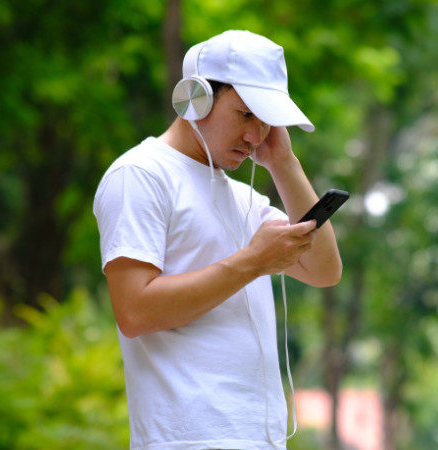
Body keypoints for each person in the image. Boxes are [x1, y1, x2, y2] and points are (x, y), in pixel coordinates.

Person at [93, 30, 343, 449]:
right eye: (246, 114)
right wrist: (252, 263)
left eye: (267, 121)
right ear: (196, 97)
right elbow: (134, 311)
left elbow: (324, 270)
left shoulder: (245, 197)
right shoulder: (140, 175)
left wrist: (284, 163)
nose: (256, 135)